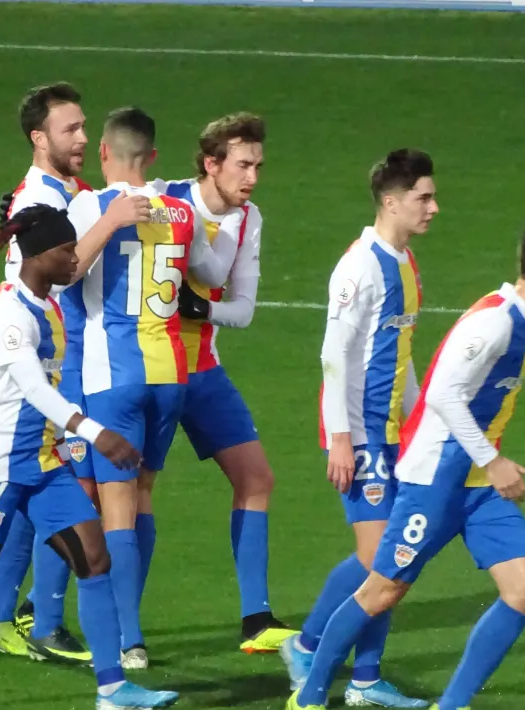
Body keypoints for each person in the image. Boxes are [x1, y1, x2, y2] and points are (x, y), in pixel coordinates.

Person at [286, 213, 525, 710]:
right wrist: (495, 459)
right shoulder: (494, 323)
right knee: (380, 591)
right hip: (435, 480)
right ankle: (310, 695)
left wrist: (489, 464)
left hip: (477, 481)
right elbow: (444, 395)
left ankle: (452, 705)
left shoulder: (523, 320)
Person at [0, 205, 179, 710]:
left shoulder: (48, 304)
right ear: (40, 255)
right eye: (67, 250)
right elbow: (33, 388)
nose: (75, 259)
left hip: (42, 464)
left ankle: (112, 689)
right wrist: (94, 432)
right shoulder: (9, 315)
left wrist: (68, 444)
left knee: (94, 556)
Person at [67, 106, 239, 669]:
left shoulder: (91, 204)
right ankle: (129, 625)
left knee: (114, 504)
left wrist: (111, 224)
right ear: (154, 159)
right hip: (172, 373)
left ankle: (128, 638)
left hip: (113, 373)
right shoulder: (182, 211)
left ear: (104, 154)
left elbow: (68, 270)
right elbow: (212, 276)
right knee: (142, 495)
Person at [281, 149, 436, 708]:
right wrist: (342, 438)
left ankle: (365, 679)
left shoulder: (406, 261)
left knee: (389, 560)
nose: (434, 207)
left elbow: (403, 352)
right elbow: (333, 355)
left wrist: (421, 421)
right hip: (361, 433)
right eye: (423, 197)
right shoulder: (359, 267)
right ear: (390, 202)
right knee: (380, 561)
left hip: (394, 430)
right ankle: (309, 648)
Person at [145, 112, 295, 653]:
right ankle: (121, 633)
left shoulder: (248, 218)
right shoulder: (161, 196)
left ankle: (256, 619)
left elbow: (244, 310)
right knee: (129, 497)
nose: (252, 177)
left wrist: (200, 311)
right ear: (211, 164)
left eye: (258, 165)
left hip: (202, 369)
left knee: (256, 478)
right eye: (242, 165)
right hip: (149, 369)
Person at [0, 81, 98, 666]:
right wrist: (114, 217)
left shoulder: (66, 188)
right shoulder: (36, 200)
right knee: (59, 487)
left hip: (67, 357)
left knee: (40, 488)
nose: (83, 137)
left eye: (83, 126)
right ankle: (39, 620)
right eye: (70, 129)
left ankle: (4, 614)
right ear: (38, 136)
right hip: (50, 366)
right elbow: (61, 274)